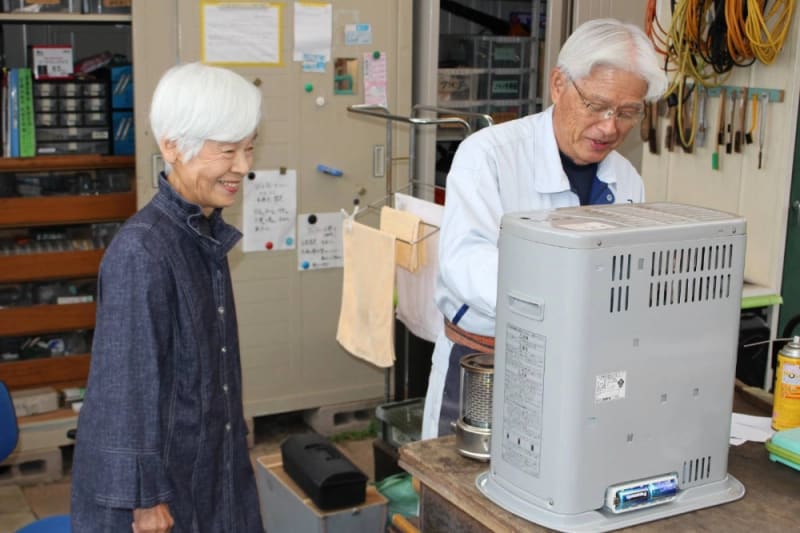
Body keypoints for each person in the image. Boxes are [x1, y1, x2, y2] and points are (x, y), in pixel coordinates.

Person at [422, 18, 668, 439]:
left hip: (582, 367)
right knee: (461, 491)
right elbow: (466, 263)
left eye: (628, 113)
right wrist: (561, 300)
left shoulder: (626, 179)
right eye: (597, 106)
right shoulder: (489, 156)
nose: (610, 127)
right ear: (558, 84)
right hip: (486, 364)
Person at [71, 62, 264, 532]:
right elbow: (125, 390)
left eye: (249, 149)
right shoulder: (142, 250)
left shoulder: (202, 234)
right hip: (155, 494)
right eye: (227, 151)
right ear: (172, 146)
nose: (243, 167)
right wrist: (145, 501)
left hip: (205, 463)